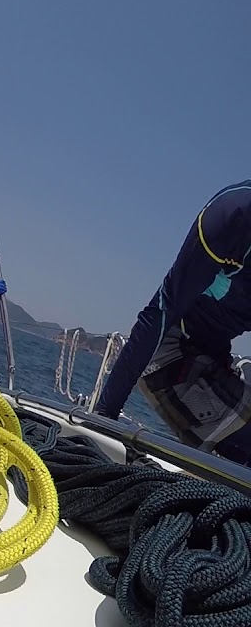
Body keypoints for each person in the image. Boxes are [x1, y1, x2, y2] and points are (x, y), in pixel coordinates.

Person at [95, 181, 251, 465]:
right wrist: (103, 418)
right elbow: (161, 312)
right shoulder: (233, 215)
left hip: (219, 360)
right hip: (171, 355)